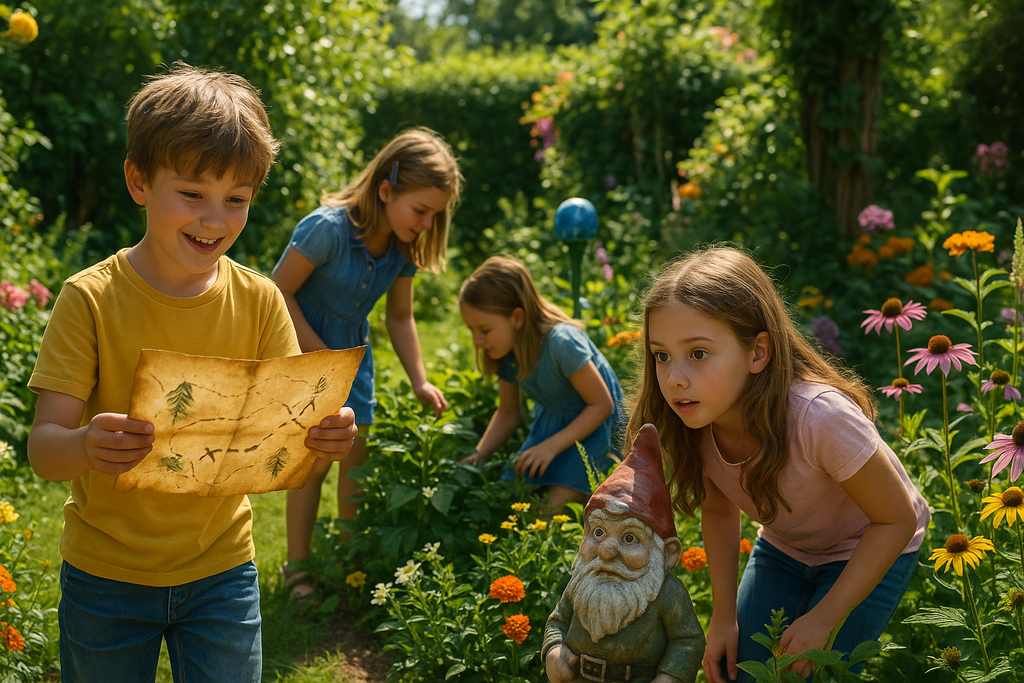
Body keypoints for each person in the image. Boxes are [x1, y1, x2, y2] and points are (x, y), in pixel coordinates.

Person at [26, 63, 358, 682]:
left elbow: (290, 448)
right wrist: (86, 446)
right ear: (138, 181)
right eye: (193, 194)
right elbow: (45, 451)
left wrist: (323, 439)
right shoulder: (90, 299)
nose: (215, 219)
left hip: (222, 571)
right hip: (106, 575)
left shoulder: (260, 301)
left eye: (237, 200)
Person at [626, 246, 930, 683]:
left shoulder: (820, 417)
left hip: (871, 542)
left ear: (758, 353)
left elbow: (895, 521)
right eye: (661, 355)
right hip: (786, 548)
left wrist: (823, 618)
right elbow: (718, 509)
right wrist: (723, 618)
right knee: (741, 675)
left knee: (809, 675)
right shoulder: (694, 419)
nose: (675, 377)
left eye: (697, 353)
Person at [272, 127, 462, 600]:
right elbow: (278, 291)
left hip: (353, 360)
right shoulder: (326, 229)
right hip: (306, 355)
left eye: (434, 215)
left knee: (356, 460)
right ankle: (297, 568)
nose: (425, 223)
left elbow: (400, 317)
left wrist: (419, 380)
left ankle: (349, 560)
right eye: (420, 211)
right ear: (385, 190)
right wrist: (321, 355)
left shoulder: (402, 249)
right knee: (314, 461)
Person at [459, 255, 625, 510]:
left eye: (484, 330)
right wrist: (480, 455)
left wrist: (549, 448)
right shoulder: (506, 354)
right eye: (472, 331)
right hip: (552, 431)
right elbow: (507, 413)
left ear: (517, 317)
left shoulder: (562, 342)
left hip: (595, 432)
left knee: (551, 507)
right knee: (510, 493)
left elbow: (602, 405)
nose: (477, 341)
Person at [544, 423, 705, 683]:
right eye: (598, 533)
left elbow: (687, 640)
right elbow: (558, 622)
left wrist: (669, 677)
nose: (607, 551)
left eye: (629, 538)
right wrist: (553, 651)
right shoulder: (582, 583)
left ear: (667, 554)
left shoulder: (667, 594)